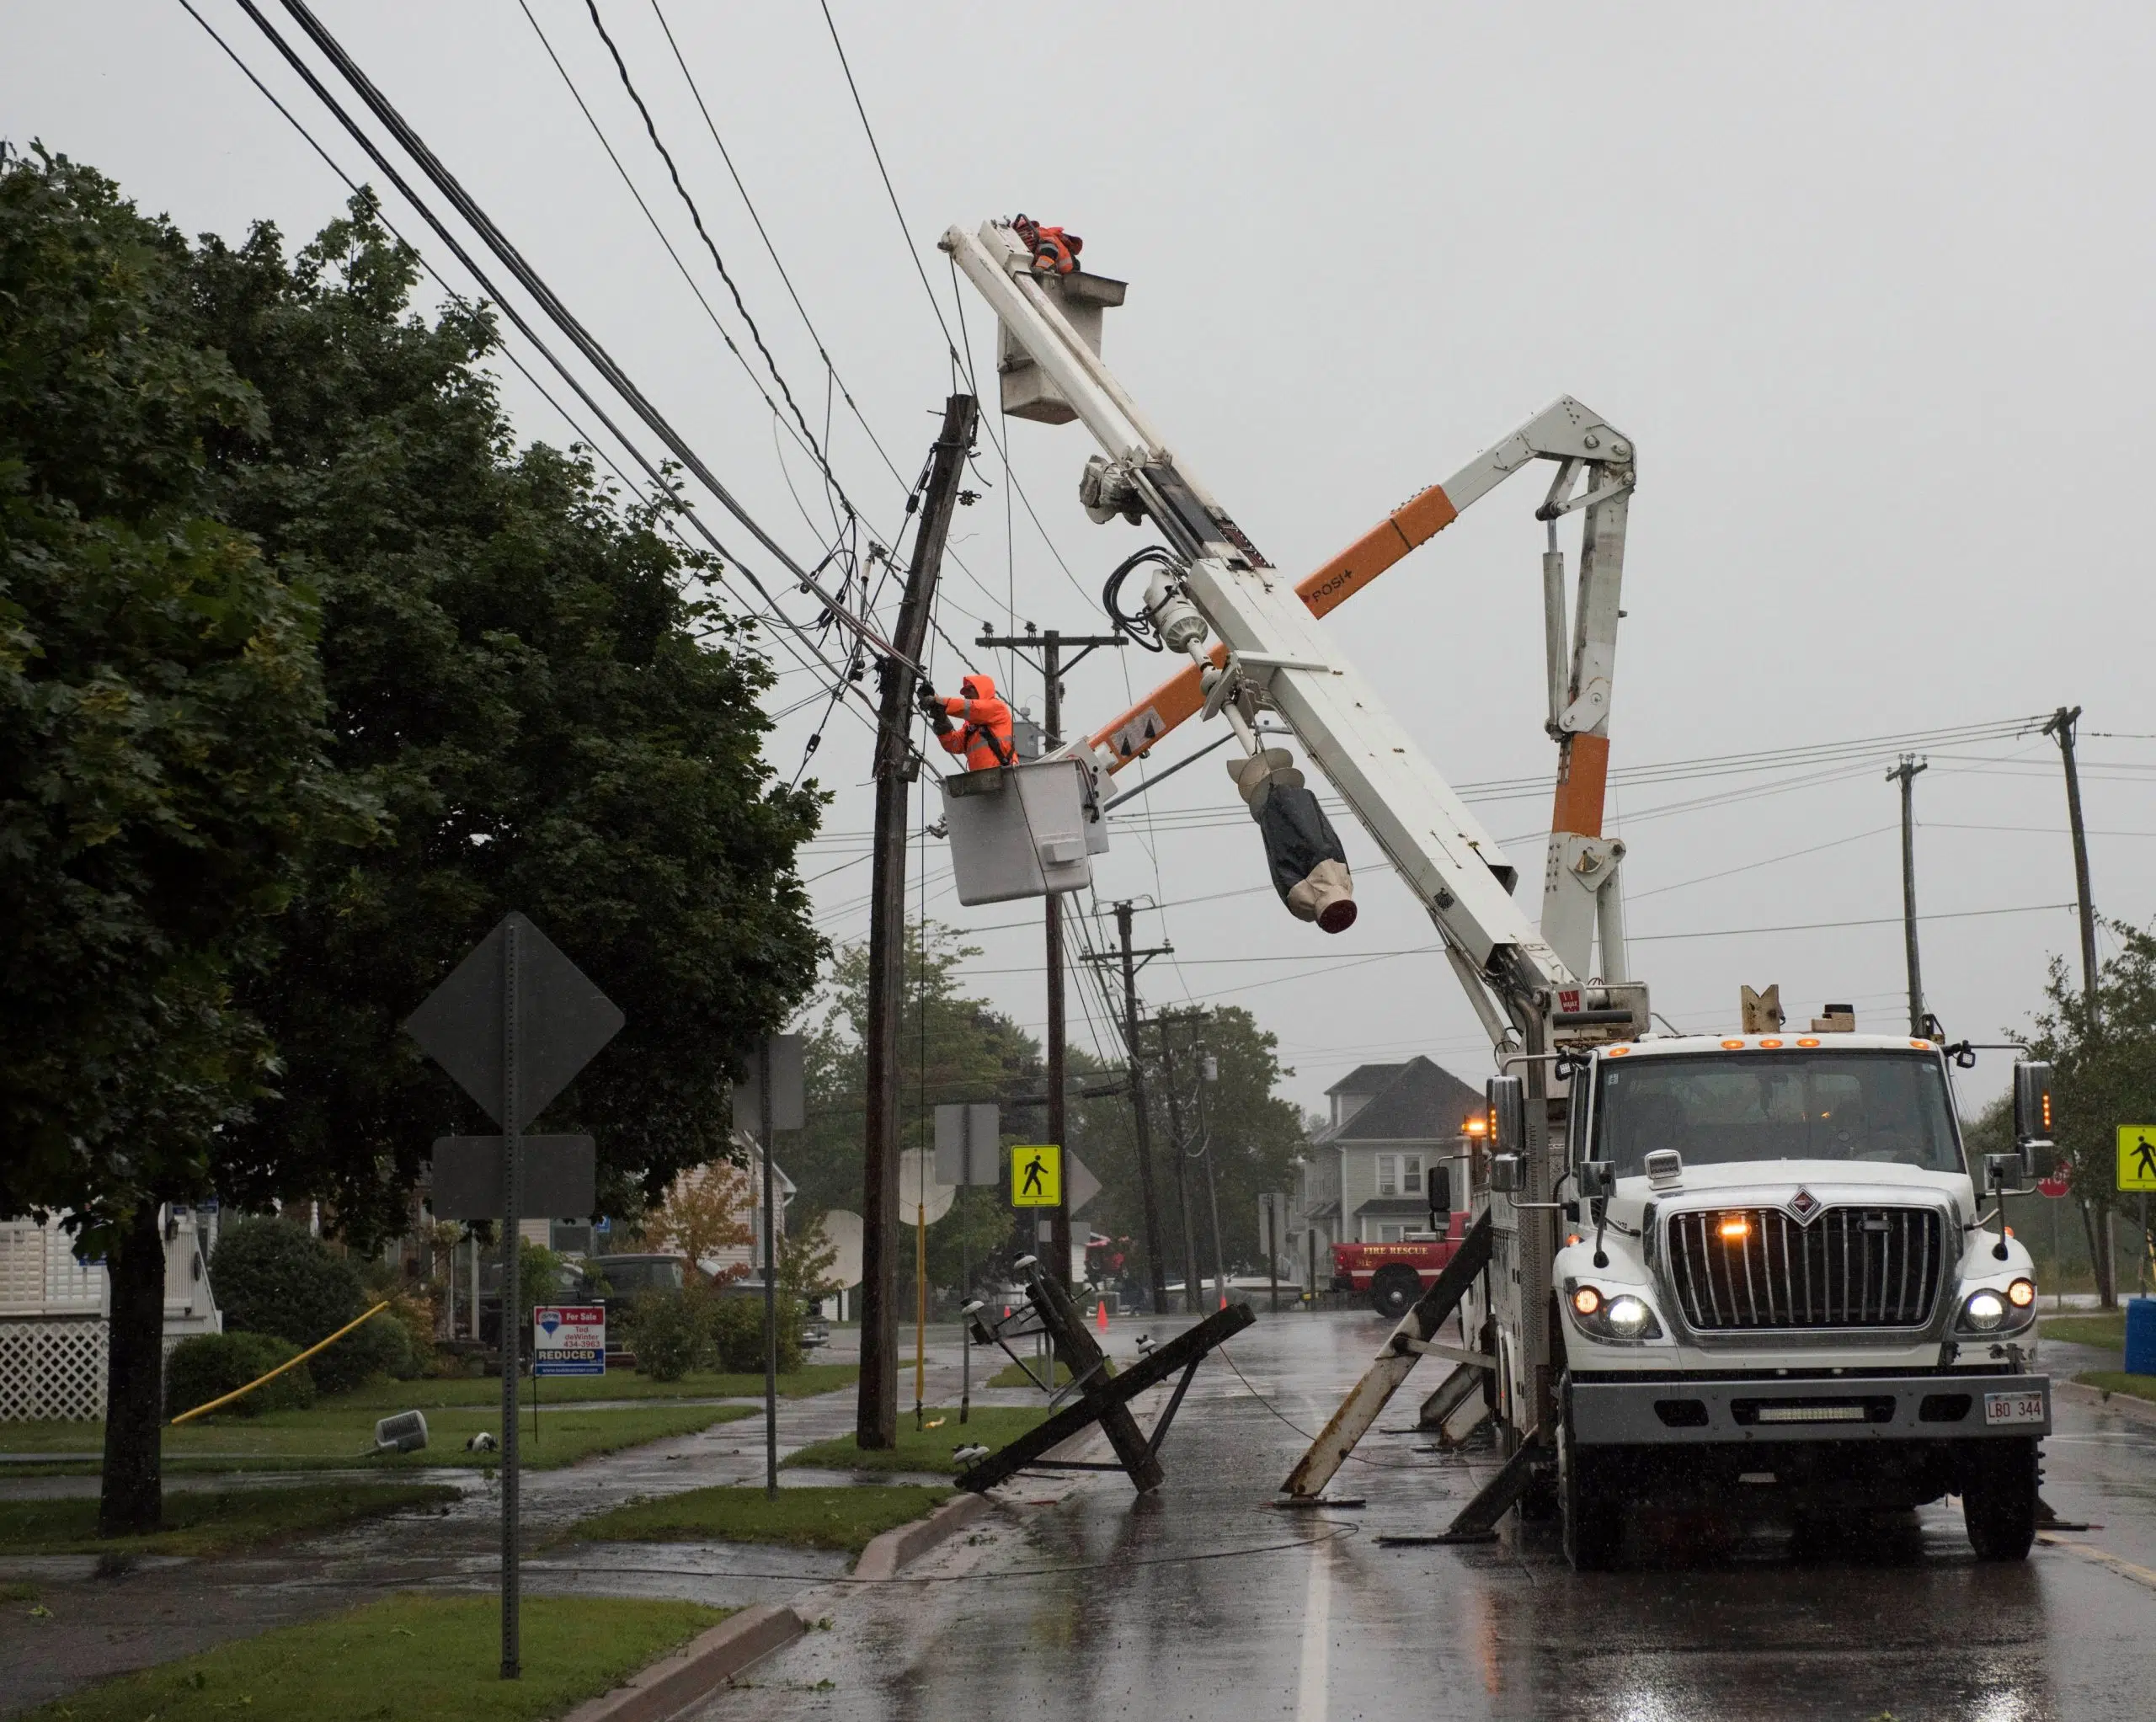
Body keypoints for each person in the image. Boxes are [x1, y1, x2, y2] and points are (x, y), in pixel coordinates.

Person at [920, 673, 1015, 770]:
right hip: (982, 777)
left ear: (982, 690)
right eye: (965, 692)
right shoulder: (971, 727)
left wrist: (938, 702)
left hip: (1005, 774)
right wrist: (940, 718)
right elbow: (953, 744)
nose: (966, 695)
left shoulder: (997, 708)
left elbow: (973, 708)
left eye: (969, 690)